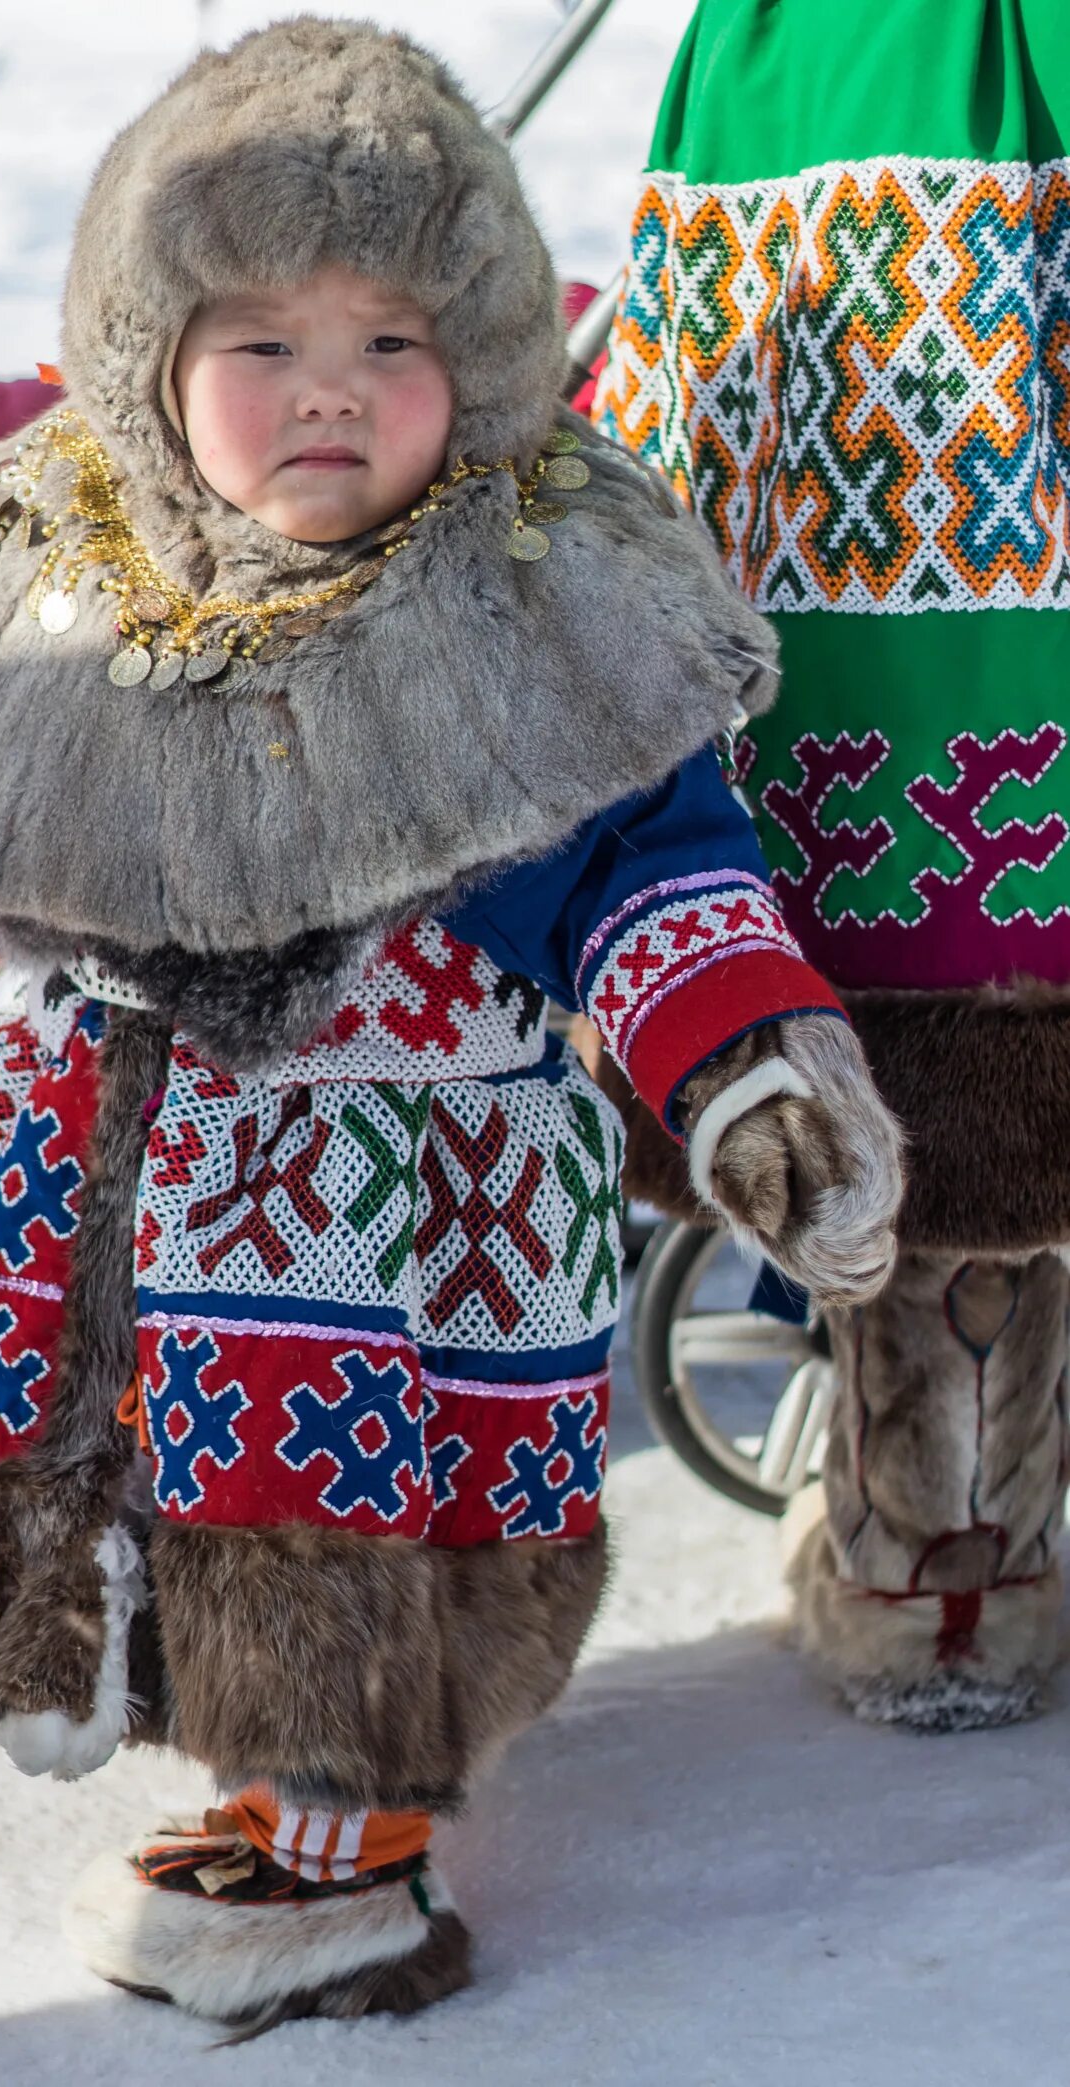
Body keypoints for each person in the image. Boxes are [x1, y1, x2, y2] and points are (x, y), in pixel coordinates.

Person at [0, 19, 902, 2031]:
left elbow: (658, 869)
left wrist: (745, 1068)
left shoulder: (529, 601)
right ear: (145, 353)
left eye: (392, 341)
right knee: (91, 1460)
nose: (333, 396)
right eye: (263, 343)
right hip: (87, 1149)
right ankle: (120, 1679)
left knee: (325, 1478)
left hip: (395, 1197)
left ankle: (341, 1834)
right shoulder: (49, 562)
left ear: (477, 360)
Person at [598, 0, 1070, 1734]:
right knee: (1019, 1088)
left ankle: (908, 1568)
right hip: (1031, 700)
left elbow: (676, 411)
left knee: (898, 1080)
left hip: (846, 680)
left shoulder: (763, 51)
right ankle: (998, 1560)